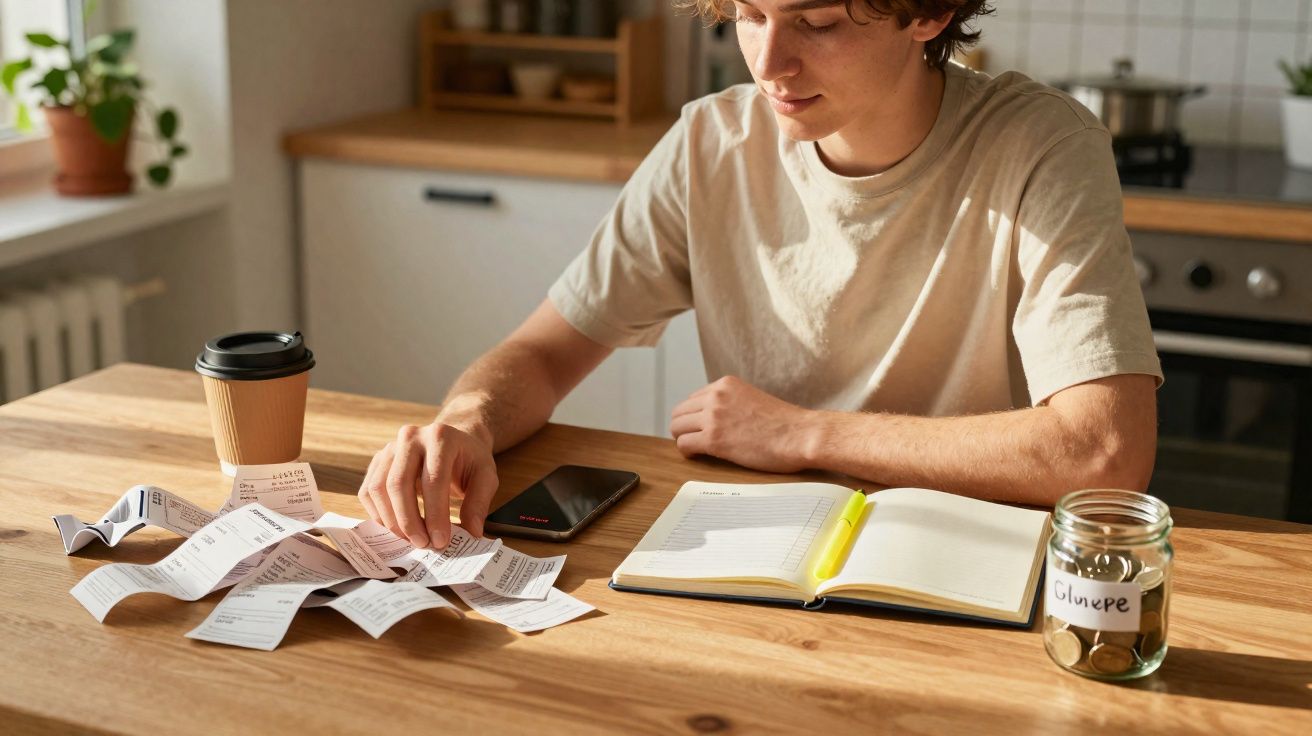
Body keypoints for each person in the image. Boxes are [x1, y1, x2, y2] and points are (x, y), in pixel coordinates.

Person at [358, 0, 1163, 550]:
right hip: (759, 551)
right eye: (748, 13)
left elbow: (1102, 451)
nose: (770, 61)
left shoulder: (1043, 145)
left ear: (929, 11)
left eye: (817, 20)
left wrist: (805, 433)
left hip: (959, 558)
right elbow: (540, 354)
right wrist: (465, 422)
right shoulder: (711, 143)